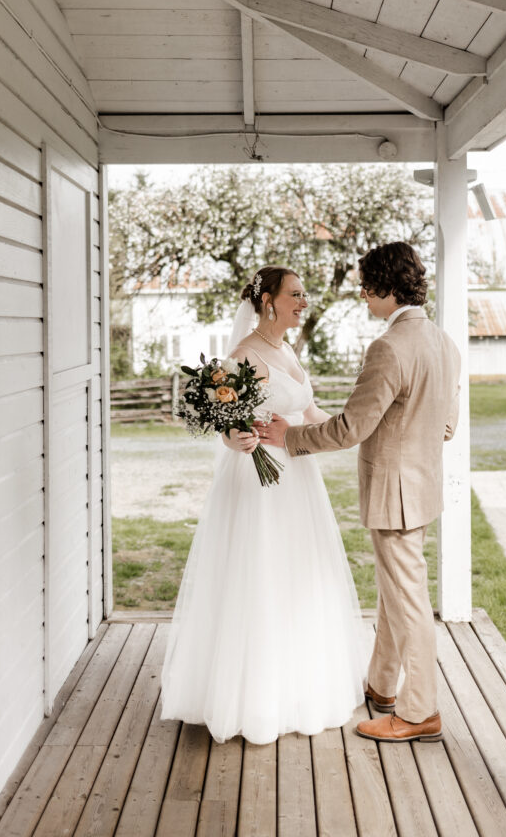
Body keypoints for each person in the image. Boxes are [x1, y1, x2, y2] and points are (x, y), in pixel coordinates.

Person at [260, 242, 461, 743]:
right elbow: (448, 423)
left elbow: (351, 428)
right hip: (421, 487)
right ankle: (382, 685)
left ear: (388, 288)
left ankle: (419, 713)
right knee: (396, 593)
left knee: (409, 601)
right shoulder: (442, 341)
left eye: (368, 288)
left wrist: (291, 437)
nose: (365, 298)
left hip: (394, 492)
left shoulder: (389, 347)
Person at [160, 265, 369, 745]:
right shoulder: (243, 355)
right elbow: (226, 423)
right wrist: (237, 438)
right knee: (262, 575)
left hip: (298, 476)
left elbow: (307, 412)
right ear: (268, 300)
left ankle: (300, 685)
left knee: (299, 576)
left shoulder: (286, 349)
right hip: (262, 482)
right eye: (295, 294)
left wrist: (352, 430)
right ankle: (253, 697)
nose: (304, 301)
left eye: (305, 294)